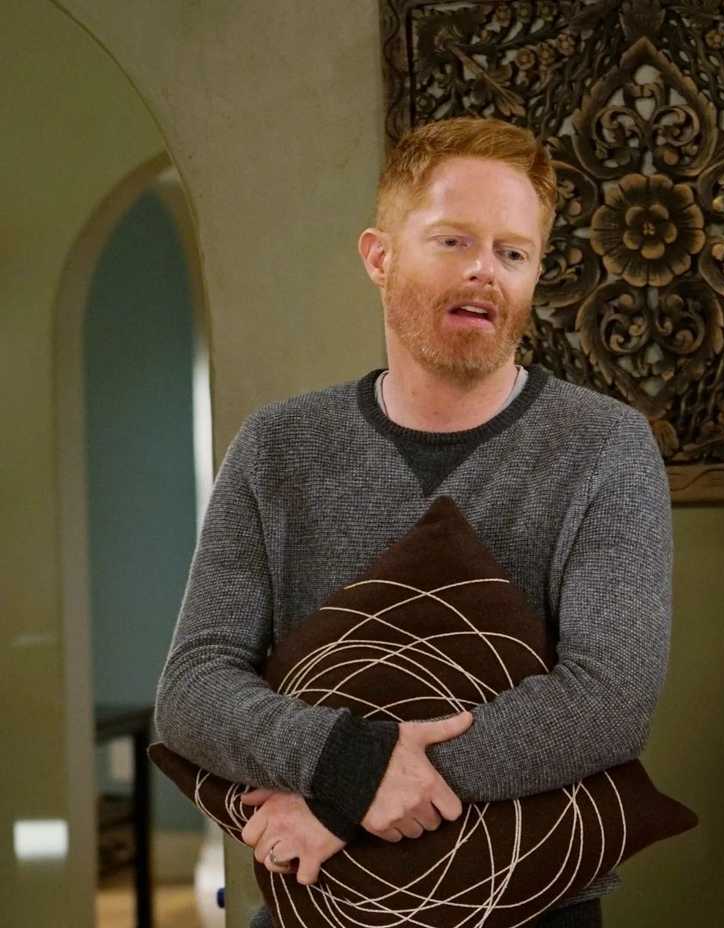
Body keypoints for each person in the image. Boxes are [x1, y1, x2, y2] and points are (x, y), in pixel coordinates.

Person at [154, 117, 673, 928]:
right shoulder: (278, 447)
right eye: (452, 241)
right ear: (379, 256)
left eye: (513, 252)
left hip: (531, 906)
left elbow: (608, 698)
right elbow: (193, 688)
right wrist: (353, 768)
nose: (484, 271)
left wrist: (344, 801)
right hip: (318, 906)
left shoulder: (605, 446)